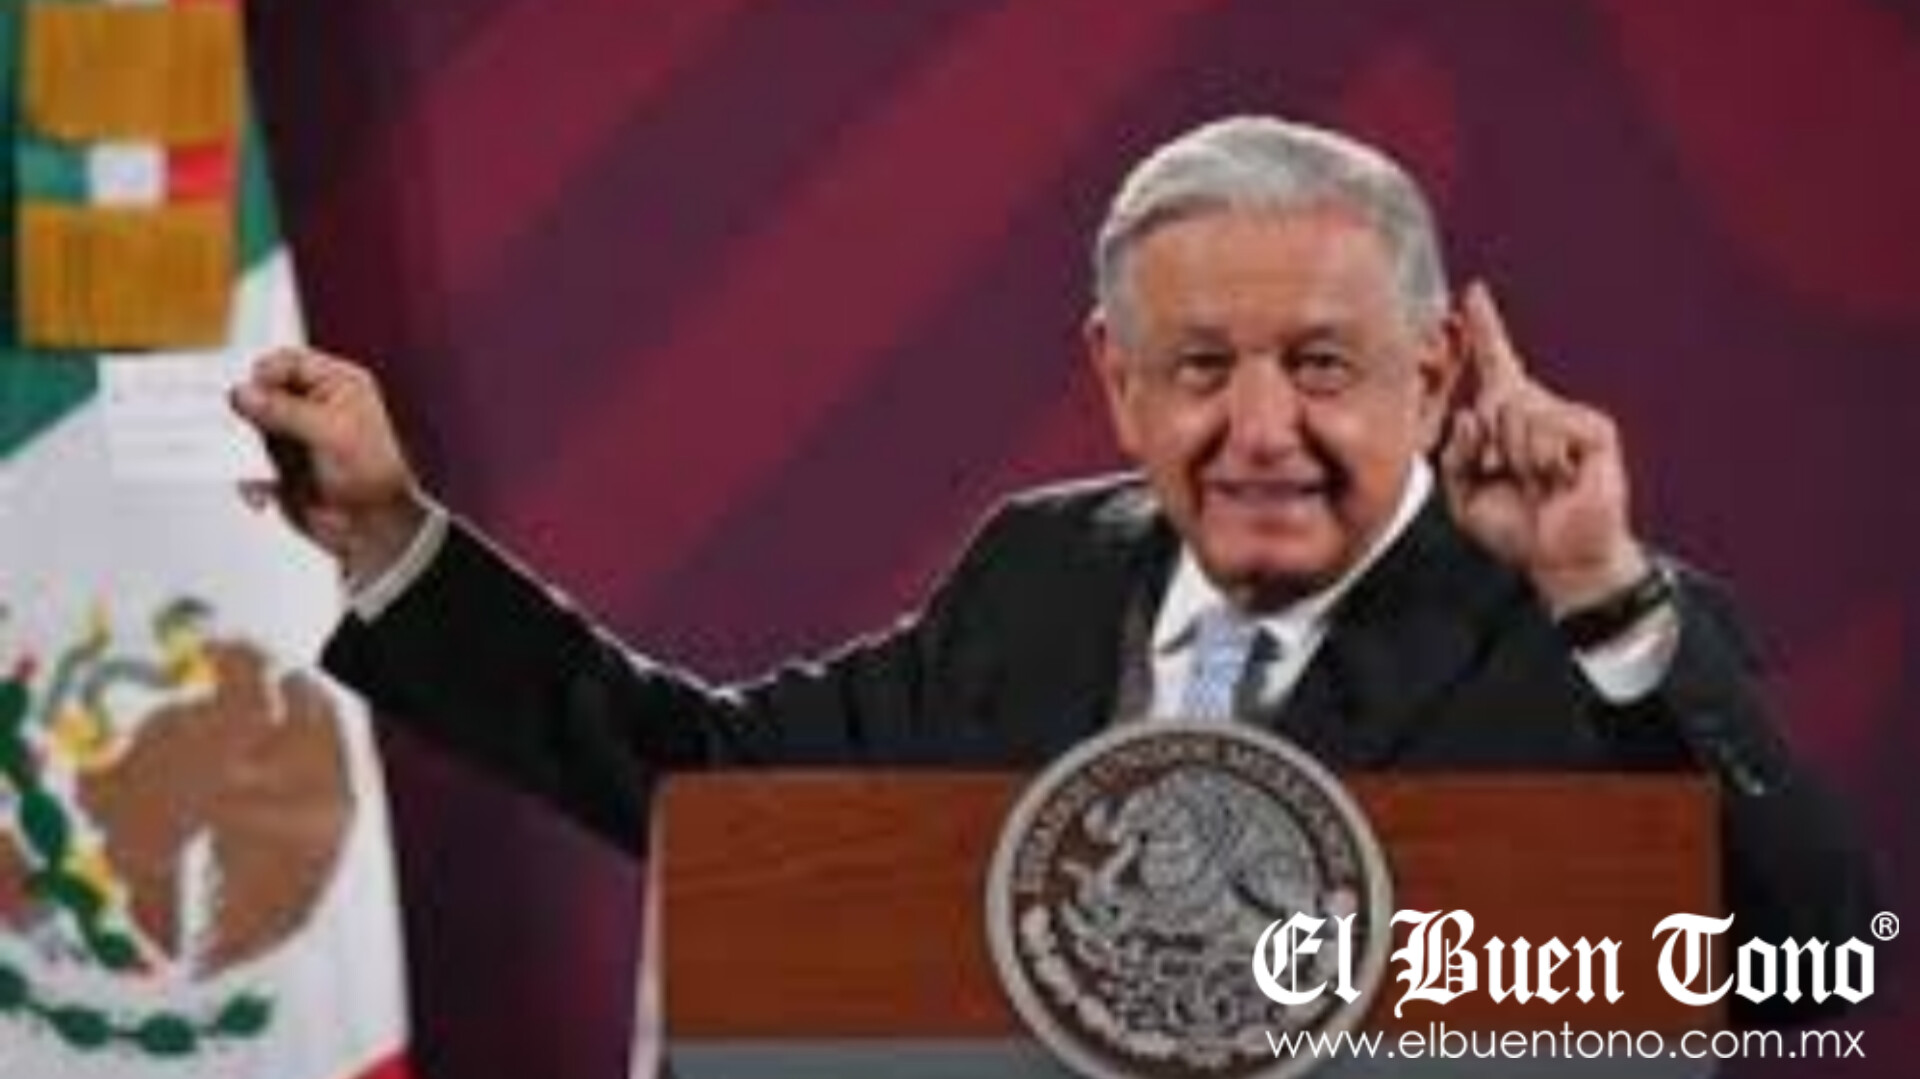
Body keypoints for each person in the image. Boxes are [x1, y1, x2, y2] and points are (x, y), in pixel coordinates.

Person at [232, 117, 1870, 1021]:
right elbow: (710, 784)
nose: (1261, 430)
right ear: (1115, 379)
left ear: (1433, 371)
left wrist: (1605, 595)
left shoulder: (1583, 629)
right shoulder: (1039, 578)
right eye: (1201, 367)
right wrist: (391, 536)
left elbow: (1805, 975)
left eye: (1320, 364)